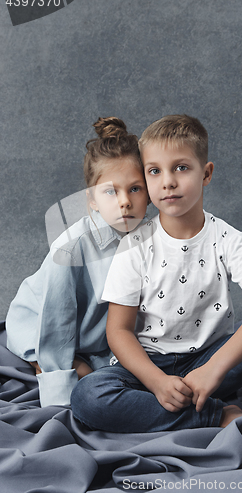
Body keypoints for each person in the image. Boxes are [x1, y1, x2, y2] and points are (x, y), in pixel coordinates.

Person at [71, 114, 242, 465]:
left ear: (206, 173)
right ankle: (216, 415)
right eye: (154, 171)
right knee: (88, 396)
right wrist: (156, 383)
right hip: (149, 366)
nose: (168, 183)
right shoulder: (135, 245)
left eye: (181, 168)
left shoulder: (227, 239)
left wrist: (213, 369)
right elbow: (118, 331)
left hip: (212, 361)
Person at [5, 117, 148, 407]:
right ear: (92, 200)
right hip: (42, 321)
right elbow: (58, 316)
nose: (124, 202)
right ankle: (45, 364)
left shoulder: (151, 238)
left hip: (100, 335)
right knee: (82, 375)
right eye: (111, 191)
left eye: (135, 188)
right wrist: (59, 383)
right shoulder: (70, 248)